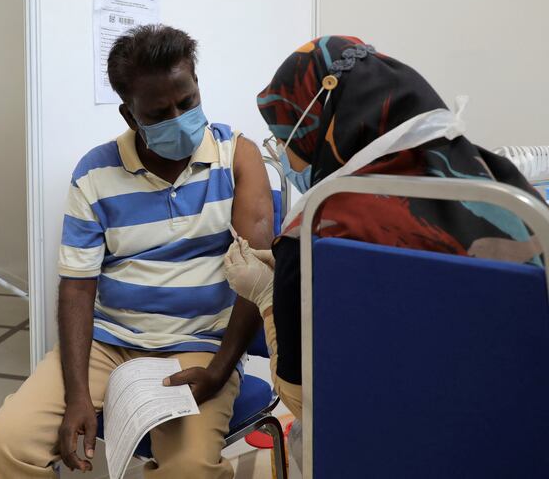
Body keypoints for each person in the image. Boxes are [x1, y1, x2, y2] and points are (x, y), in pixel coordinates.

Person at [223, 35, 544, 466]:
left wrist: (267, 294)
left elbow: (306, 401)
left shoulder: (315, 234)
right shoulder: (506, 189)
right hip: (518, 441)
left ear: (318, 128)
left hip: (390, 448)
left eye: (285, 139)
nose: (284, 155)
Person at [0, 25, 273, 478]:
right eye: (160, 112)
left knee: (190, 468)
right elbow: (78, 285)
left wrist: (218, 370)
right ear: (128, 113)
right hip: (109, 344)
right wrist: (78, 394)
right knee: (6, 442)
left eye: (188, 102)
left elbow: (256, 275)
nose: (180, 118)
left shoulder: (238, 157)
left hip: (197, 347)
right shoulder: (94, 173)